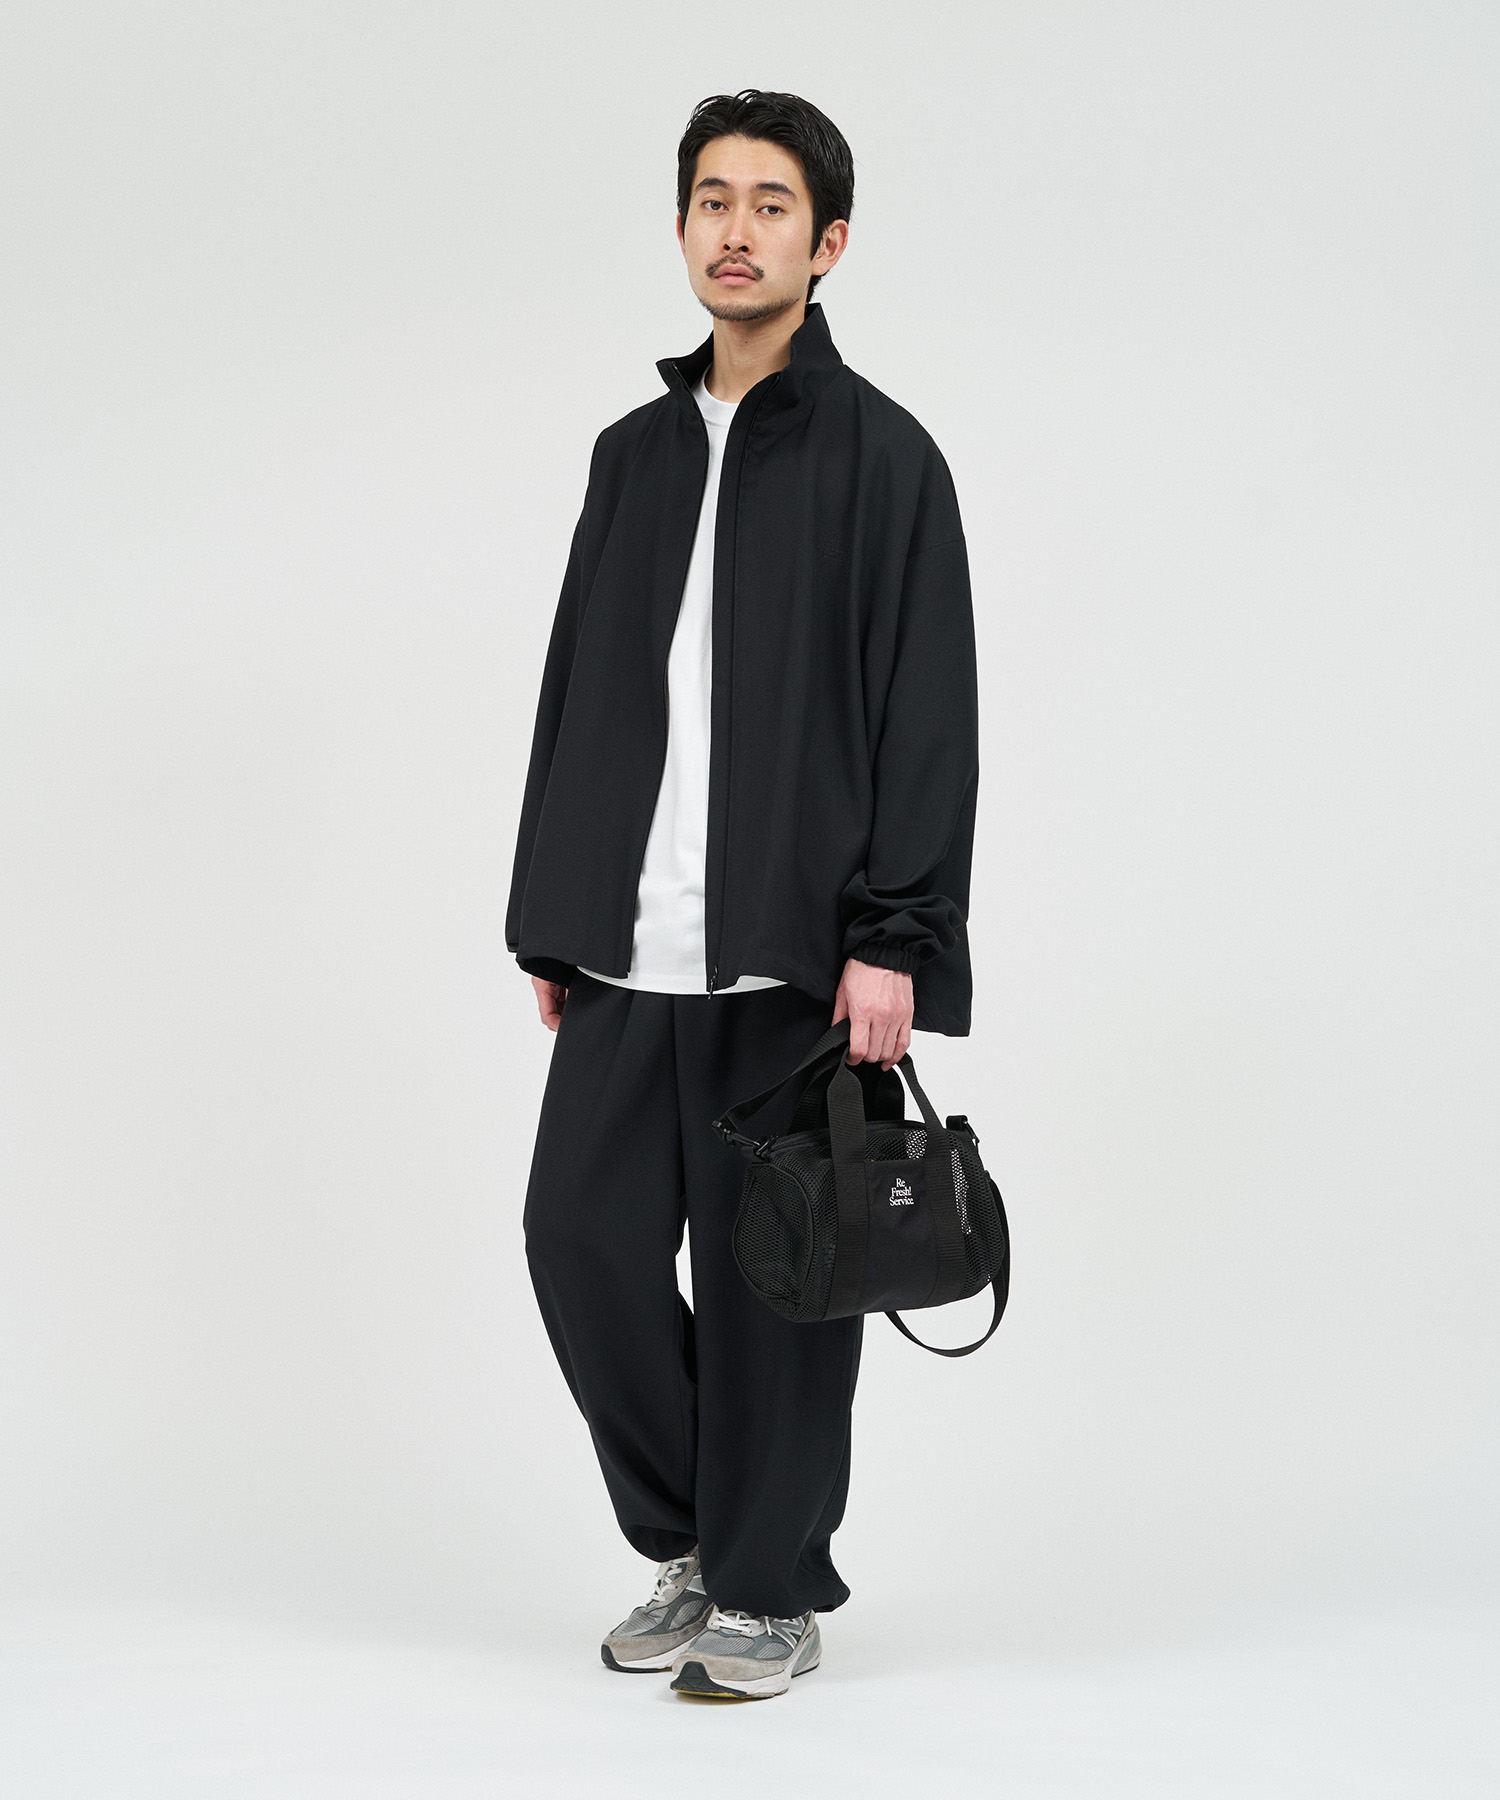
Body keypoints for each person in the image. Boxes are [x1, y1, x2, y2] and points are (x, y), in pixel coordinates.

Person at [507, 89, 979, 1701]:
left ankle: (771, 1588)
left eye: (771, 203)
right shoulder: (631, 458)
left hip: (794, 956)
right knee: (576, 1242)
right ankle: (697, 1538)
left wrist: (897, 937)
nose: (736, 228)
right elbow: (578, 688)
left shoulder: (886, 459)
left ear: (827, 243)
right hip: (627, 950)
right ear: (682, 226)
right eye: (713, 198)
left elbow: (927, 714)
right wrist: (556, 908)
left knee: (779, 1285)